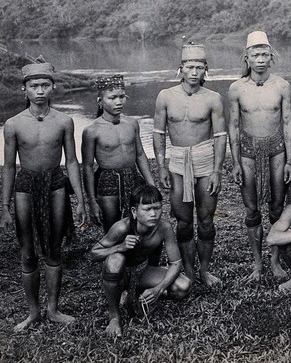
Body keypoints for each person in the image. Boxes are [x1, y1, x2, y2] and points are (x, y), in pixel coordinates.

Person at [1, 61, 86, 332]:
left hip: (55, 183)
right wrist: (5, 205)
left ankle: (53, 309)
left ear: (53, 88)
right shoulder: (13, 124)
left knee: (54, 247)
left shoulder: (64, 121)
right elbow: (9, 166)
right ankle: (33, 312)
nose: (40, 91)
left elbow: (72, 161)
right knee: (27, 252)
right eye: (34, 86)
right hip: (25, 185)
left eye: (45, 85)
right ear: (24, 89)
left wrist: (81, 198)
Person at [153, 43, 227, 287]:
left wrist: (217, 170)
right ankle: (188, 270)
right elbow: (158, 133)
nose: (194, 72)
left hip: (204, 158)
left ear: (206, 70)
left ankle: (204, 270)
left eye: (199, 67)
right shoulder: (166, 96)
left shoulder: (213, 98)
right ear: (180, 69)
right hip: (177, 160)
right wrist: (162, 166)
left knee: (206, 219)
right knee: (183, 220)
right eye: (189, 67)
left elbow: (220, 136)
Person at [228, 31, 291, 281]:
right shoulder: (236, 88)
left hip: (276, 149)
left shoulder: (281, 85)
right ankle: (257, 264)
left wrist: (289, 160)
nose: (260, 59)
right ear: (247, 57)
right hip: (247, 151)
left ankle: (275, 261)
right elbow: (233, 125)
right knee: (252, 210)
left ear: (271, 56)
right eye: (255, 54)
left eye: (265, 54)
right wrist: (234, 162)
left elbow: (288, 122)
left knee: (277, 208)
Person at [90, 185, 191, 337]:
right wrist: (120, 247)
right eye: (147, 209)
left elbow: (176, 263)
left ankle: (137, 294)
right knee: (115, 260)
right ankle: (114, 317)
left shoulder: (164, 227)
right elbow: (93, 254)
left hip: (142, 271)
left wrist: (158, 289)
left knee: (183, 286)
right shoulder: (122, 227)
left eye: (157, 208)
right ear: (134, 212)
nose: (153, 214)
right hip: (120, 274)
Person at [82, 75, 155, 233]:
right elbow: (87, 166)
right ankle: (114, 255)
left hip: (133, 177)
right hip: (107, 180)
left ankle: (135, 255)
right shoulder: (92, 130)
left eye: (122, 97)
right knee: (113, 226)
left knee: (139, 223)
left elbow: (140, 154)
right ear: (100, 101)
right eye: (112, 97)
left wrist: (151, 184)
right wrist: (91, 200)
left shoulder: (132, 123)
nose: (118, 102)